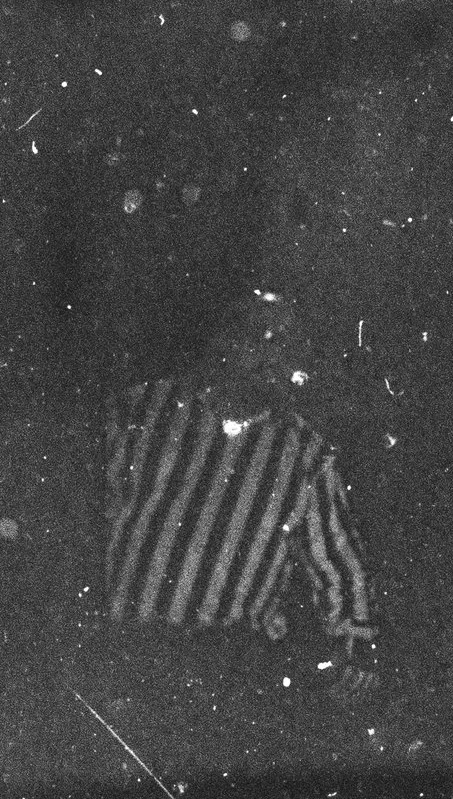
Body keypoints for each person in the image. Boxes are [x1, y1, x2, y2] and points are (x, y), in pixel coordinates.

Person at [98, 289, 382, 701]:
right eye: (258, 337)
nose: (270, 357)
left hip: (222, 668)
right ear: (223, 339)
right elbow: (82, 521)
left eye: (283, 345)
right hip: (122, 647)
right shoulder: (142, 411)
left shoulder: (304, 455)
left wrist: (358, 645)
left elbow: (339, 562)